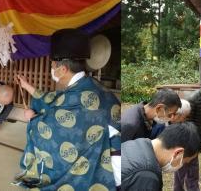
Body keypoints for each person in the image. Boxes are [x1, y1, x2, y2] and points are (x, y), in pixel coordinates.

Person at [13, 28, 121, 190]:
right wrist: (27, 86)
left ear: (62, 70)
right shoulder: (91, 86)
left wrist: (32, 119)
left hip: (107, 166)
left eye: (52, 65)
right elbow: (54, 100)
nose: (52, 69)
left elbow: (50, 133)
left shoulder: (75, 97)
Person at [122, 123, 201, 191]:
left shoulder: (138, 143)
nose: (182, 165)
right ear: (178, 153)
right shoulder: (146, 176)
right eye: (184, 162)